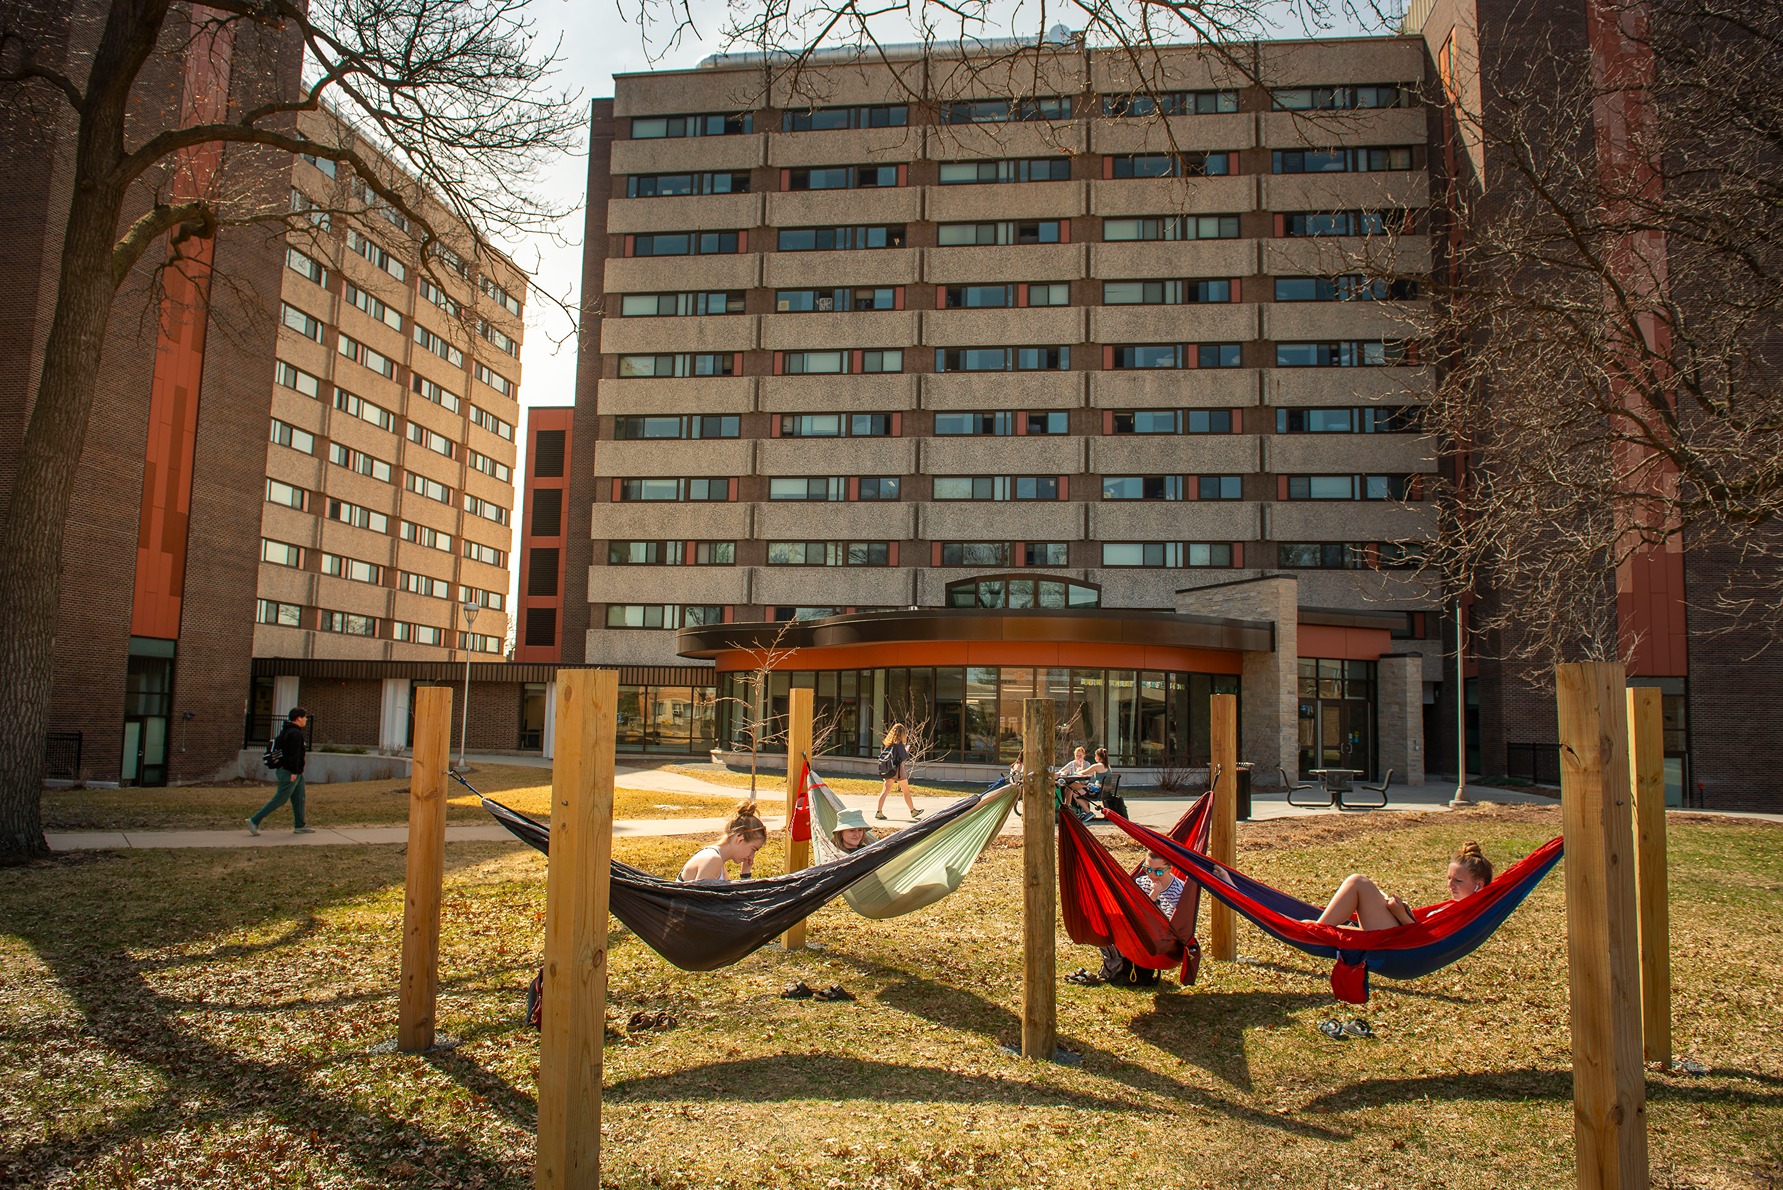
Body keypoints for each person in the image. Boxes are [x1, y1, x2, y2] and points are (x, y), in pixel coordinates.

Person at [1312, 841, 1495, 930]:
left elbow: (1428, 942)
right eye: (1449, 878)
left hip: (1398, 944)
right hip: (1398, 934)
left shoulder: (1466, 913)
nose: (1450, 885)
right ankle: (1314, 930)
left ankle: (1315, 932)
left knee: (1358, 882)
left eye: (1458, 881)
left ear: (1478, 886)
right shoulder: (1455, 906)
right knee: (1311, 925)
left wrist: (1400, 914)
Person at [1069, 851, 1186, 988]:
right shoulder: (1141, 882)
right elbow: (1133, 912)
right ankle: (1115, 965)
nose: (1152, 875)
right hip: (1135, 932)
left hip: (1159, 942)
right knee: (1105, 917)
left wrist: (1154, 895)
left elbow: (1167, 927)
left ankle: (1117, 966)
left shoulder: (1179, 890)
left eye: (1159, 872)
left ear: (1170, 868)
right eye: (1148, 869)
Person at [247, 707, 313, 836]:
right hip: (290, 771)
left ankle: (300, 825)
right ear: (299, 718)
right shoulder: (295, 734)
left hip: (294, 771)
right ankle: (254, 820)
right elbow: (293, 755)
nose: (305, 720)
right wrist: (294, 772)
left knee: (299, 798)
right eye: (304, 717)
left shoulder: (288, 731)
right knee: (280, 799)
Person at [680, 801, 768, 882]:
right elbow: (702, 898)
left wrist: (745, 873)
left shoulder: (718, 862)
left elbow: (734, 897)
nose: (752, 856)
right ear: (740, 839)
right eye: (753, 849)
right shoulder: (712, 860)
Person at [873, 724, 920, 821]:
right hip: (897, 770)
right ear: (902, 733)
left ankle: (879, 811)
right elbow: (903, 757)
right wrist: (906, 749)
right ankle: (913, 811)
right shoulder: (899, 743)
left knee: (885, 790)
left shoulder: (888, 744)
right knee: (906, 791)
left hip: (889, 770)